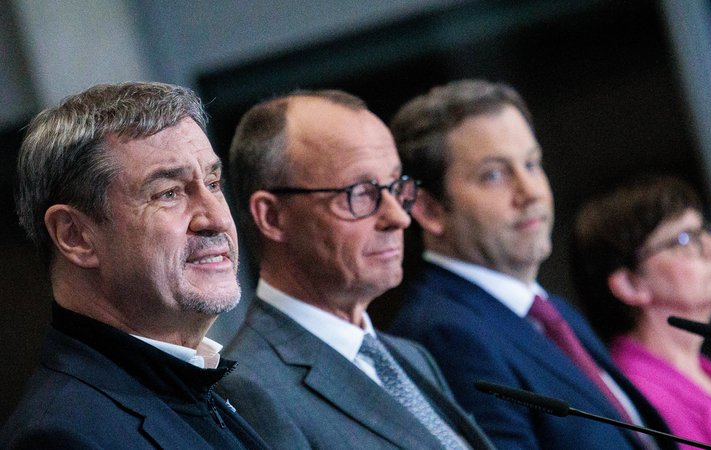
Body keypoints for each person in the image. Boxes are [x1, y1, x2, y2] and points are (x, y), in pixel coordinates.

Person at [0, 81, 299, 449]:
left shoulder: (210, 391)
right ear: (74, 235)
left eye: (213, 183)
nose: (215, 219)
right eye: (168, 193)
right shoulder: (62, 436)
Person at [388, 79, 676, 450]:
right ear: (428, 210)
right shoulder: (445, 336)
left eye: (531, 164)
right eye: (494, 175)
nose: (530, 192)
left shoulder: (552, 314)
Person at [218, 90, 495, 449]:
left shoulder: (412, 357)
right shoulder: (250, 389)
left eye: (396, 186)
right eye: (360, 192)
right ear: (273, 216)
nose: (398, 216)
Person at [570, 174, 711, 450]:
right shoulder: (643, 395)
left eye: (706, 232)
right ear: (630, 284)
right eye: (686, 239)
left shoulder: (701, 371)